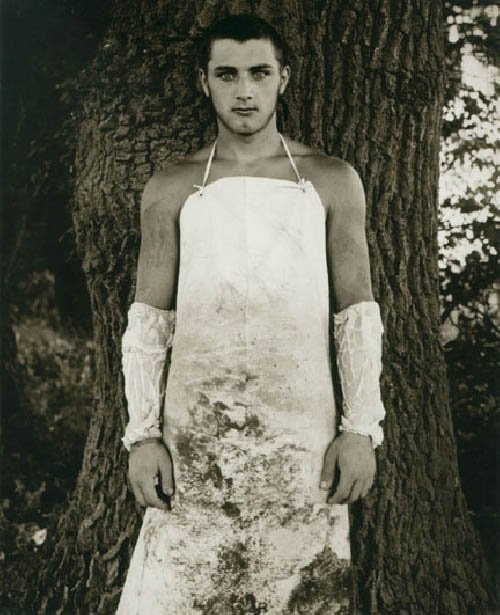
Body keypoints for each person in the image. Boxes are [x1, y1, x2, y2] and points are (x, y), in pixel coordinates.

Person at [117, 14, 385, 615]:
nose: (244, 91)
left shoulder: (331, 180)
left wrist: (360, 428)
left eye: (259, 73)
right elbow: (149, 323)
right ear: (204, 82)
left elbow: (357, 313)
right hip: (194, 432)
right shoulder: (173, 185)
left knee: (298, 593)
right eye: (227, 75)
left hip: (302, 435)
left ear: (283, 79)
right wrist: (144, 436)